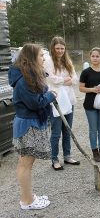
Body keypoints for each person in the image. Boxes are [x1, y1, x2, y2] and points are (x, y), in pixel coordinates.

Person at [8, 43, 56, 210]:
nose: (44, 58)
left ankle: (27, 197)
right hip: (28, 125)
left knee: (26, 163)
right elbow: (36, 103)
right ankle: (27, 201)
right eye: (42, 55)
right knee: (25, 164)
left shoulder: (30, 75)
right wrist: (50, 95)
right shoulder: (24, 80)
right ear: (31, 58)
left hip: (30, 122)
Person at [44, 36, 80, 170]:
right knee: (56, 132)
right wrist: (65, 79)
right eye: (57, 48)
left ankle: (67, 155)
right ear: (53, 48)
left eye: (62, 48)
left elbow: (75, 78)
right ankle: (54, 159)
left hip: (69, 99)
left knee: (67, 129)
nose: (60, 51)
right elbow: (51, 79)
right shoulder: (48, 62)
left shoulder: (67, 61)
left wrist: (66, 80)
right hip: (56, 100)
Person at [79, 47, 100, 162]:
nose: (95, 58)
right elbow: (81, 88)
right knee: (93, 129)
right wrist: (93, 90)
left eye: (97, 56)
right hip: (90, 105)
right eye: (93, 56)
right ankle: (95, 152)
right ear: (90, 57)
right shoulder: (86, 72)